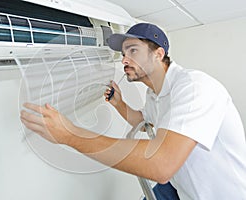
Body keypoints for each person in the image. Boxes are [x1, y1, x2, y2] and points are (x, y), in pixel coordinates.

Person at [20, 23, 246, 199]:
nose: (124, 60)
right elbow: (142, 119)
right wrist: (119, 104)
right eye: (123, 54)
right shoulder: (154, 94)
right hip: (186, 191)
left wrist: (70, 135)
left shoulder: (195, 87)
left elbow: (161, 163)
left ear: (158, 54)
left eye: (133, 51)